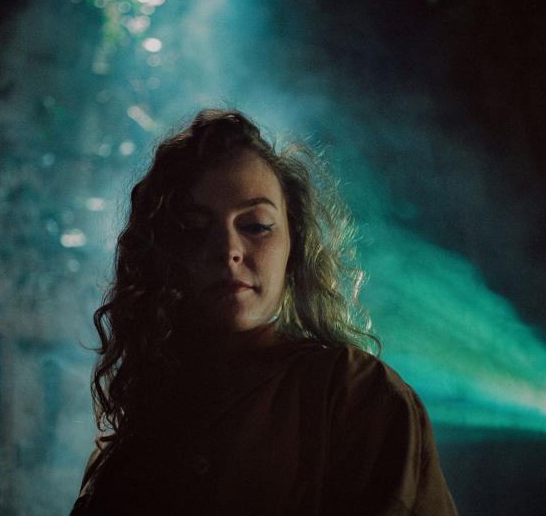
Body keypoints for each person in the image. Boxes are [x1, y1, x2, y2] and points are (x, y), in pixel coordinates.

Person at [70, 109, 458, 515]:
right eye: (194, 226)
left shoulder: (351, 394)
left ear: (295, 244)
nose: (228, 250)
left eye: (255, 225)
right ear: (166, 252)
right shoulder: (143, 430)